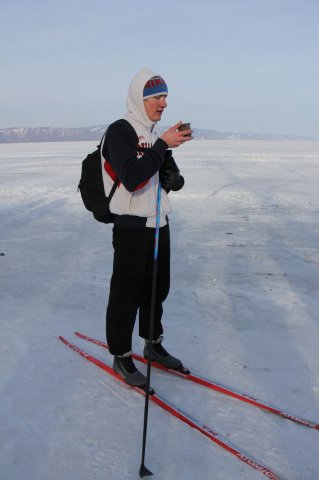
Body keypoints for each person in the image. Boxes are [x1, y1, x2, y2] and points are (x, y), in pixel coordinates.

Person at [101, 67, 192, 387]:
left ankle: (152, 345)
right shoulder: (120, 131)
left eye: (165, 96)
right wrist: (161, 147)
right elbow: (131, 175)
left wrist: (174, 178)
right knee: (126, 293)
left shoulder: (155, 135)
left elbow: (168, 177)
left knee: (157, 290)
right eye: (156, 97)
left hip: (159, 223)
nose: (163, 103)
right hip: (131, 226)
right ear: (139, 99)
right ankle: (121, 356)